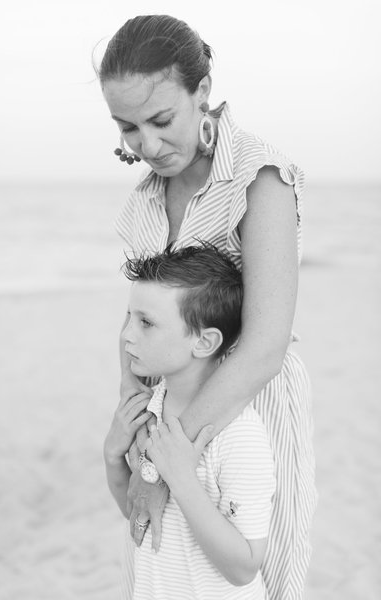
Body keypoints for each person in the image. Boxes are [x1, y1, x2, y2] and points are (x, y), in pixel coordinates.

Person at [98, 14, 317, 599]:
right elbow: (136, 318)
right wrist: (132, 420)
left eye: (162, 120)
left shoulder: (258, 176)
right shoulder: (144, 197)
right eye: (128, 128)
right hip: (166, 410)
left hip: (247, 407)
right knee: (164, 566)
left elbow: (266, 344)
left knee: (258, 579)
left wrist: (158, 469)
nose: (147, 146)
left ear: (203, 91)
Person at [107, 244, 276, 600]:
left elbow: (244, 567)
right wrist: (112, 457)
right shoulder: (149, 408)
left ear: (204, 342)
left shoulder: (238, 437)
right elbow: (137, 513)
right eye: (129, 318)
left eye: (146, 323)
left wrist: (181, 479)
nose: (126, 336)